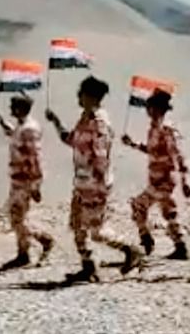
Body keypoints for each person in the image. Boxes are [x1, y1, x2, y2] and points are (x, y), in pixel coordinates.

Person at [46, 76, 140, 282]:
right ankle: (88, 266)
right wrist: (56, 122)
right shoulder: (84, 119)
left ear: (90, 96)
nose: (78, 97)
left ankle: (131, 250)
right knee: (77, 225)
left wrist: (98, 187)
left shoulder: (99, 123)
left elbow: (101, 156)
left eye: (81, 93)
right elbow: (70, 140)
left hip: (95, 184)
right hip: (82, 182)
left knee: (97, 231)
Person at [121, 89, 190, 260]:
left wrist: (185, 180)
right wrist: (133, 145)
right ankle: (177, 245)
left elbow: (179, 154)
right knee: (164, 211)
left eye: (151, 107)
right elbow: (152, 150)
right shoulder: (154, 128)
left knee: (146, 206)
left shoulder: (167, 129)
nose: (148, 110)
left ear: (159, 108)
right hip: (156, 179)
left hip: (166, 179)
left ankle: (150, 240)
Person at [0, 93, 55, 268]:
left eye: (13, 107)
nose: (10, 110)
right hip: (17, 179)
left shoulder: (30, 129)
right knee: (17, 216)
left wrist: (36, 185)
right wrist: (2, 123)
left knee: (17, 218)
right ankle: (23, 253)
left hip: (26, 180)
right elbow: (14, 135)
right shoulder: (22, 127)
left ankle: (44, 240)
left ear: (20, 108)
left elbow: (35, 157)